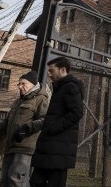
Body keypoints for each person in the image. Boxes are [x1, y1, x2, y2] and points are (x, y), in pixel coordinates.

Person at [0, 70, 48, 187]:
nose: (20, 87)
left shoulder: (41, 99)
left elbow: (45, 120)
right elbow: (8, 121)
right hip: (10, 146)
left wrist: (27, 128)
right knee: (5, 180)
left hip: (25, 147)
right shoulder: (18, 101)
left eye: (23, 84)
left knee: (16, 180)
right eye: (19, 84)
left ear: (33, 84)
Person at [30, 57, 84, 187]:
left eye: (51, 70)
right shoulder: (60, 88)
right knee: (36, 182)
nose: (49, 74)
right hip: (50, 148)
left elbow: (76, 113)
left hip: (58, 149)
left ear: (63, 70)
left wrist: (53, 128)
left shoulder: (69, 87)